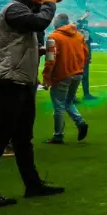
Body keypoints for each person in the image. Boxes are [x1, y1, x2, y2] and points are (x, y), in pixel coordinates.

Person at [0, 0, 65, 207]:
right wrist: (50, 5)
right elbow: (39, 23)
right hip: (7, 82)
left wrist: (39, 50)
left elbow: (24, 38)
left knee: (23, 139)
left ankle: (33, 185)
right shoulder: (14, 9)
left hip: (23, 83)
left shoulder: (26, 13)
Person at [41, 14, 90, 144]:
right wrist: (79, 68)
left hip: (62, 75)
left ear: (57, 23)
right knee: (68, 102)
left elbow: (50, 60)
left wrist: (46, 77)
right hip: (78, 73)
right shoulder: (79, 36)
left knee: (58, 106)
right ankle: (80, 122)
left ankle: (58, 135)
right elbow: (86, 54)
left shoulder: (53, 37)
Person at [75, 12, 97, 101]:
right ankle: (73, 96)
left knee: (85, 76)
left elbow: (89, 48)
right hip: (78, 57)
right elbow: (76, 25)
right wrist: (83, 17)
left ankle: (86, 94)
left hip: (85, 58)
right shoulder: (77, 32)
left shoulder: (87, 38)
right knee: (75, 77)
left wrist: (90, 57)